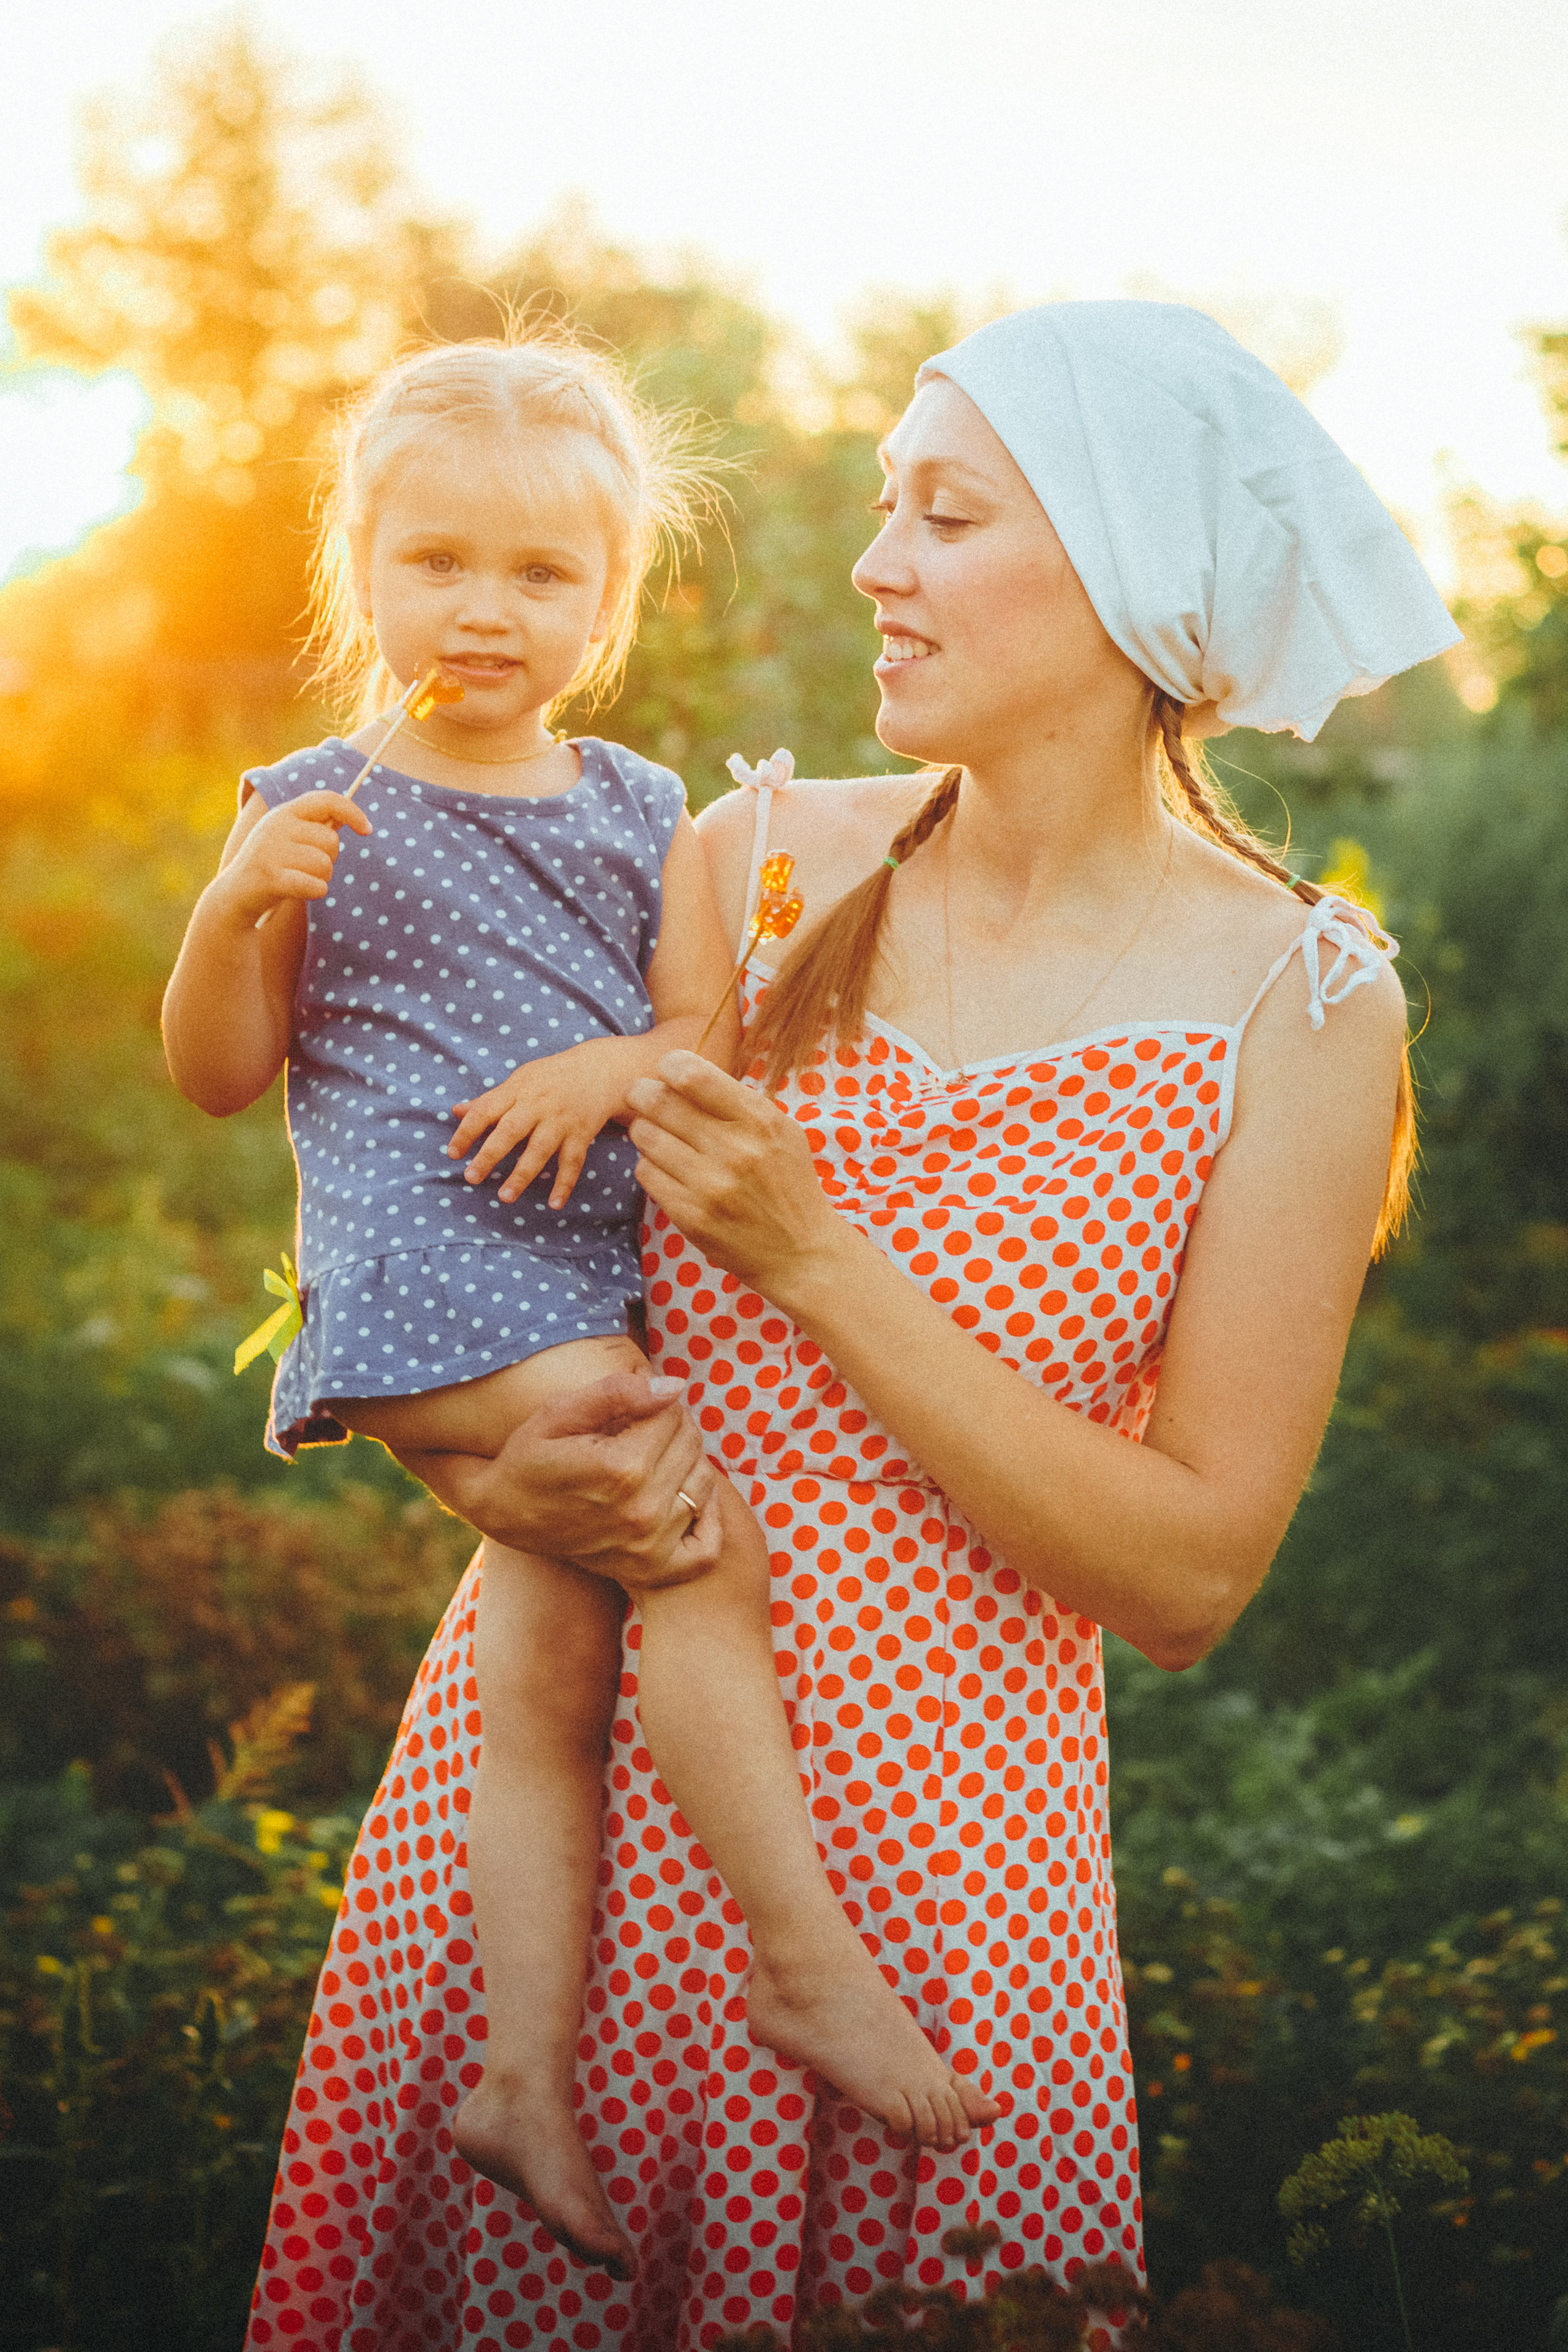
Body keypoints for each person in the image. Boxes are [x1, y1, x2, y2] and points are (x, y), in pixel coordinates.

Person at [242, 301, 1460, 2352]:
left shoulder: (1306, 1007)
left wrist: (823, 1265)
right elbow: (468, 1231)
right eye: (888, 510)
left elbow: (1189, 1577)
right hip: (557, 1819)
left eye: (946, 516)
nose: (877, 564)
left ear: (1128, 568)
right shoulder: (752, 859)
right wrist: (470, 1460)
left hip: (941, 1880)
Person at [165, 331, 1001, 2280]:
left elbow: (700, 1031)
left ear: (608, 604)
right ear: (359, 568)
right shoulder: (309, 800)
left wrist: (612, 1071)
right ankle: (805, 1960)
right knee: (695, 1542)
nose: (483, 609)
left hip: (568, 1272)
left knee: (545, 1684)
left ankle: (518, 2082)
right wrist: (233, 910)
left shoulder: (634, 805)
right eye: (437, 560)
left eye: (542, 575)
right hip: (428, 1273)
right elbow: (217, 1073)